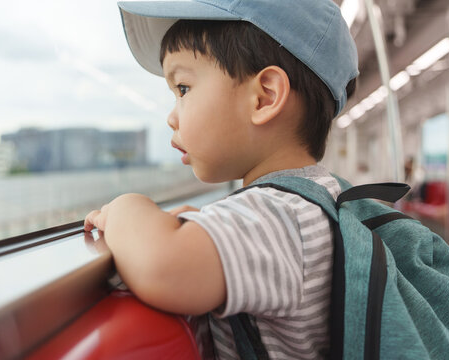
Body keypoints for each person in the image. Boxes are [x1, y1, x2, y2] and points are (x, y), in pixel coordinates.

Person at [84, 0, 358, 358]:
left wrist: (125, 207)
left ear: (264, 97)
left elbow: (164, 267)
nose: (171, 116)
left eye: (182, 88)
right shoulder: (318, 201)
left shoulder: (276, 215)